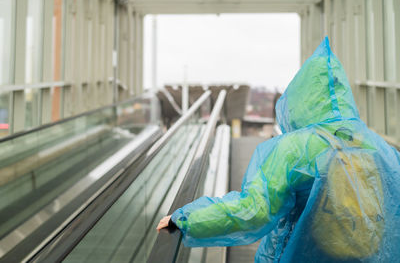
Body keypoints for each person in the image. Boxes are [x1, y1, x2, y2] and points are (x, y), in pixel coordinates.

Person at [157, 37, 400, 262]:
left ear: (301, 99)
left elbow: (253, 212)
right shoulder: (380, 148)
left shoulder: (296, 149)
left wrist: (186, 219)